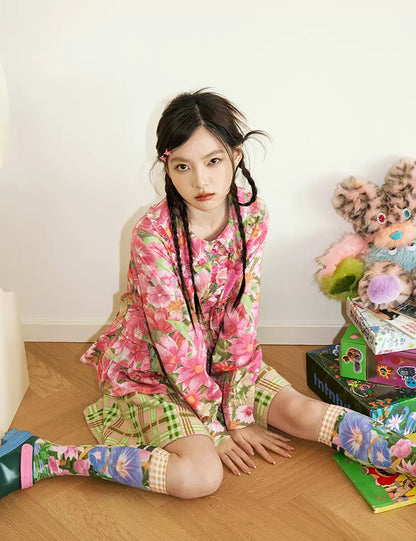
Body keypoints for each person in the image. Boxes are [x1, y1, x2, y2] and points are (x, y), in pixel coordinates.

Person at [2, 90, 416, 500]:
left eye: (213, 161)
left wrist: (237, 412)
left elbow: (244, 312)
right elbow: (174, 342)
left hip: (225, 361)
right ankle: (45, 456)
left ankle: (408, 457)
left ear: (236, 155)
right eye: (183, 166)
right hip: (156, 372)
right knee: (200, 477)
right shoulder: (153, 235)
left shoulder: (252, 213)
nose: (200, 181)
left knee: (301, 410)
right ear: (167, 167)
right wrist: (217, 429)